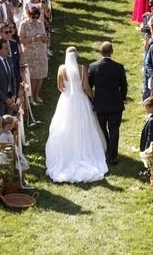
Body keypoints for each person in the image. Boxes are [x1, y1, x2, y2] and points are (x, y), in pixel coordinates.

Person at [45, 47, 108, 183]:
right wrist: (92, 98)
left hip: (66, 100)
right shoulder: (82, 69)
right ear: (76, 55)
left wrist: (67, 90)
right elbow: (86, 87)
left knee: (64, 125)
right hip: (80, 100)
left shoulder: (61, 69)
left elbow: (60, 87)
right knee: (84, 125)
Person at [87, 41, 127, 166]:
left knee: (102, 128)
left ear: (100, 52)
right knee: (114, 130)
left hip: (100, 104)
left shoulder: (93, 67)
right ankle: (113, 156)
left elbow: (89, 85)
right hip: (115, 104)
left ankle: (106, 149)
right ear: (112, 52)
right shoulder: (118, 67)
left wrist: (92, 99)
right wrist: (122, 98)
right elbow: (124, 85)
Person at [18, 4, 48, 104]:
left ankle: (37, 95)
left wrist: (44, 39)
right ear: (29, 15)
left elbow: (44, 35)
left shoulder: (40, 23)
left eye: (37, 17)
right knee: (33, 77)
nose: (35, 19)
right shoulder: (24, 24)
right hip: (29, 54)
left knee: (40, 76)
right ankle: (31, 97)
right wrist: (35, 39)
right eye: (33, 16)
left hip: (40, 53)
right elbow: (22, 40)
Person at [0, 115, 32, 189]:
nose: (13, 126)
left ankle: (21, 180)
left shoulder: (8, 132)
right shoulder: (3, 136)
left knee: (23, 162)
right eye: (13, 124)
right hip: (9, 154)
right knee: (23, 163)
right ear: (8, 125)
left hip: (14, 151)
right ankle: (20, 182)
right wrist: (15, 155)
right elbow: (5, 148)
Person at [0, 38, 18, 119]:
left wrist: (14, 94)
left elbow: (13, 78)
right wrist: (6, 99)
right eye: (5, 48)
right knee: (0, 124)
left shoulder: (9, 59)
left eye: (8, 48)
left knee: (10, 122)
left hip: (10, 97)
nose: (8, 50)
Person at [138, 97, 153, 166]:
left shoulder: (152, 120)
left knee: (149, 162)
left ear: (152, 108)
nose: (145, 109)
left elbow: (150, 136)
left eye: (146, 107)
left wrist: (147, 149)